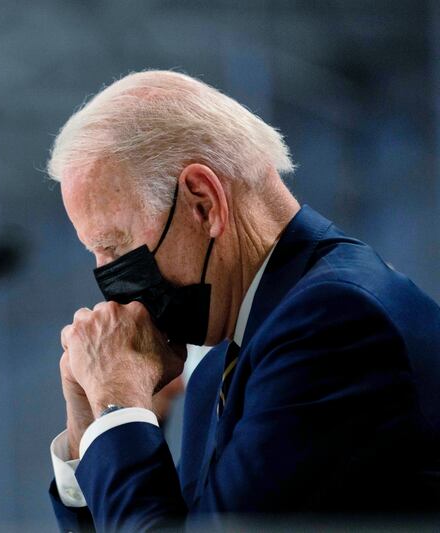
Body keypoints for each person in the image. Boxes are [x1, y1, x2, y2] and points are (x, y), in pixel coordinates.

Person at [45, 70, 440, 531]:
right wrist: (88, 416)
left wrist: (117, 405)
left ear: (204, 203)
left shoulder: (333, 323)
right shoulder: (219, 369)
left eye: (115, 247)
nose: (107, 282)